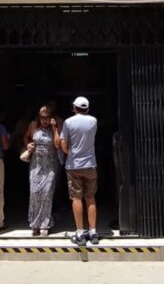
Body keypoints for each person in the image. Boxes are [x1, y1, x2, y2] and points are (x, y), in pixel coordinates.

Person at [57, 96, 99, 246]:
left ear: (74, 108)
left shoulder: (68, 122)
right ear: (87, 108)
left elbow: (63, 144)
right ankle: (93, 232)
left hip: (74, 165)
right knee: (90, 197)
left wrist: (71, 154)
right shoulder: (93, 121)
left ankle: (80, 233)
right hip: (90, 164)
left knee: (76, 198)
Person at [24, 105, 60, 236]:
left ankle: (45, 223)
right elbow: (26, 137)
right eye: (42, 117)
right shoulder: (33, 126)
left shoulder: (54, 129)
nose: (44, 120)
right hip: (36, 165)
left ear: (51, 117)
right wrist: (28, 145)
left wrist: (55, 128)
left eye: (47, 117)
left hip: (50, 166)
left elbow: (57, 144)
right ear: (39, 117)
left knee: (47, 194)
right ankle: (35, 223)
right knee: (34, 193)